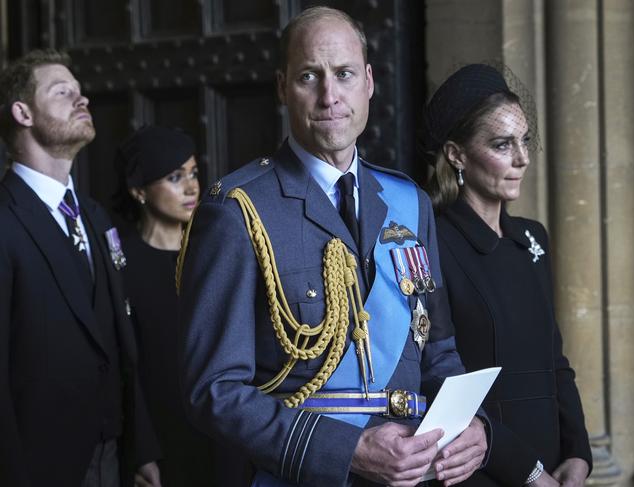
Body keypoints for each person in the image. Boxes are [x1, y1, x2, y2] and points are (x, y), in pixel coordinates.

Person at [177, 7, 488, 487]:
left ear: (368, 82)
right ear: (283, 87)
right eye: (309, 76)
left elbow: (438, 351)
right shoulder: (239, 210)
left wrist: (475, 425)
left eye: (343, 74)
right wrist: (348, 451)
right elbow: (213, 391)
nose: (329, 96)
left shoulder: (409, 201)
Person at [421, 64, 592, 486]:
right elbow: (443, 381)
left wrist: (579, 452)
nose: (523, 158)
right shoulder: (432, 244)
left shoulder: (532, 238)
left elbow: (555, 359)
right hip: (482, 469)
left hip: (552, 463)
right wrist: (527, 472)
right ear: (456, 154)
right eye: (503, 144)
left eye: (525, 141)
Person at [0, 49, 161, 487]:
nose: (82, 99)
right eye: (62, 91)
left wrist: (140, 448)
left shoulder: (93, 216)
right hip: (38, 466)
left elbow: (120, 341)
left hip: (112, 455)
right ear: (23, 112)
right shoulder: (4, 221)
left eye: (81, 90)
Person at [113, 125, 220, 486]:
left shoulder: (214, 255)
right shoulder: (120, 265)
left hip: (223, 435)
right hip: (160, 438)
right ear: (139, 190)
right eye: (175, 177)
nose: (192, 187)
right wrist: (141, 451)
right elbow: (123, 369)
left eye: (193, 173)